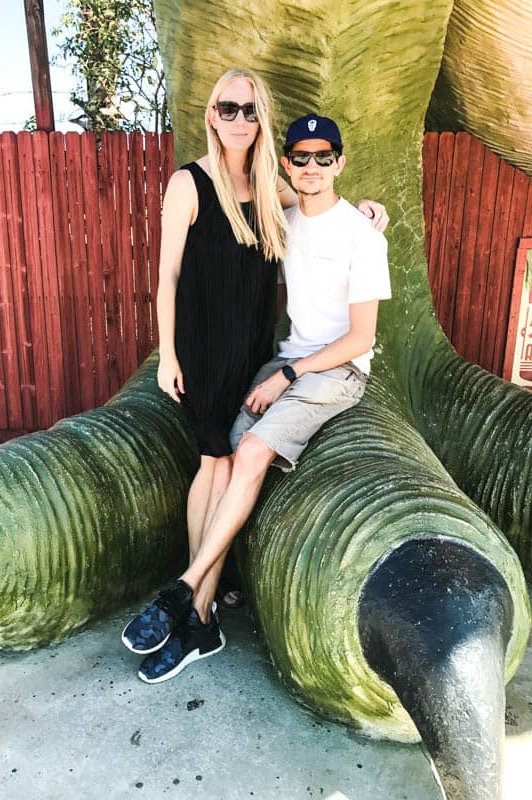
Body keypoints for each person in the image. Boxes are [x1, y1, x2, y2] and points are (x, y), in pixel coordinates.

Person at [121, 68, 388, 683]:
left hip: (256, 350)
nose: (240, 119)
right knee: (215, 457)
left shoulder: (273, 190)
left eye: (250, 110)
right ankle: (199, 603)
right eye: (228, 107)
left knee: (226, 459)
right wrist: (167, 352)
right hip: (205, 349)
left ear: (260, 119)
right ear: (211, 114)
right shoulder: (189, 183)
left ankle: (193, 601)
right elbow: (165, 277)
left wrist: (373, 210)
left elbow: (329, 209)